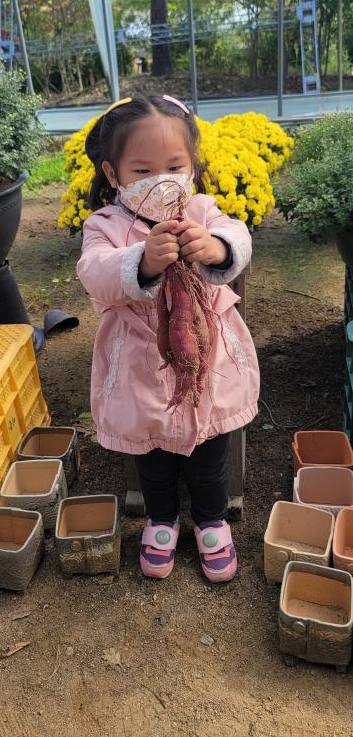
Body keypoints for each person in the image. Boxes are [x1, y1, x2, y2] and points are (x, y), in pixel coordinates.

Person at [77, 95, 260, 582]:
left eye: (174, 166)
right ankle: (161, 521)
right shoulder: (106, 225)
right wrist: (140, 261)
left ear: (192, 165)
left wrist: (216, 246)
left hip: (207, 361)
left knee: (210, 452)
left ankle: (211, 521)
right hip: (140, 365)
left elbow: (238, 237)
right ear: (113, 173)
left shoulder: (200, 208)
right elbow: (93, 272)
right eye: (142, 170)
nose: (161, 179)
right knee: (151, 456)